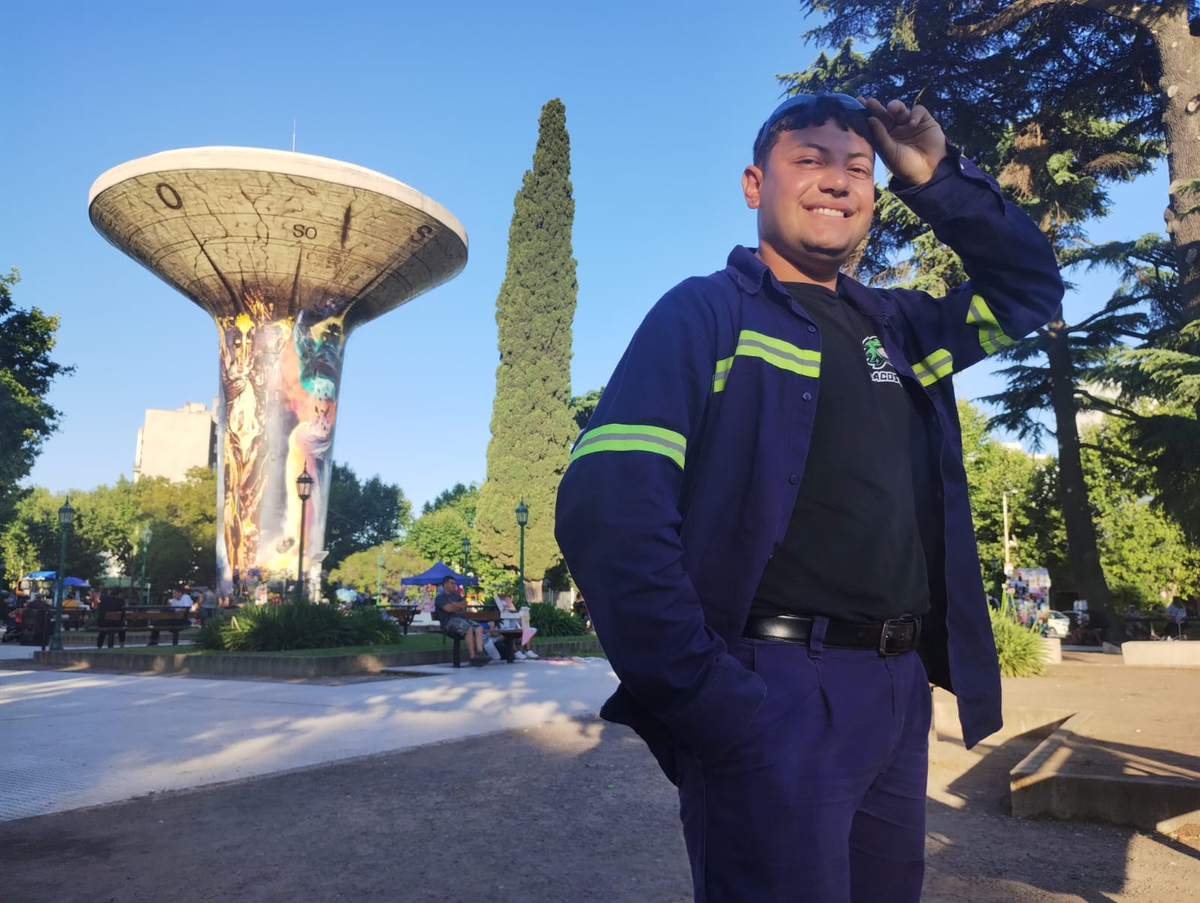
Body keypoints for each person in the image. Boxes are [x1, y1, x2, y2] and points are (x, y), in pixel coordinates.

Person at [554, 92, 1064, 903]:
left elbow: (1030, 290)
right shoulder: (705, 314)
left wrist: (935, 176)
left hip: (897, 690)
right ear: (754, 184)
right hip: (774, 687)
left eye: (858, 168)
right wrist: (705, 693)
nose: (837, 180)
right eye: (810, 160)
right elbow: (609, 509)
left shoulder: (900, 331)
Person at [434, 576, 488, 666]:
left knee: (479, 627)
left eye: (455, 583)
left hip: (462, 619)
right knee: (468, 629)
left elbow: (465, 604)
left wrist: (455, 604)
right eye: (452, 583)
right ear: (445, 584)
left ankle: (480, 653)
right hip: (449, 622)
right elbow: (448, 609)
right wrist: (459, 606)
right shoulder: (440, 597)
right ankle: (473, 657)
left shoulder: (456, 595)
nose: (454, 585)